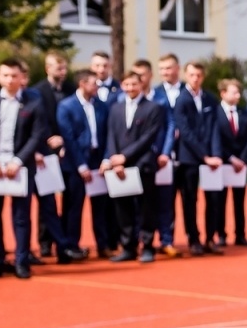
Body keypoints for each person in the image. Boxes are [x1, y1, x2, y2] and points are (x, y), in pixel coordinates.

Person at [0, 59, 57, 280]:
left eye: (14, 76)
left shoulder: (34, 102)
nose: (10, 80)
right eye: (5, 75)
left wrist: (18, 161)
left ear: (22, 78)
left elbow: (37, 135)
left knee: (21, 217)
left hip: (20, 167)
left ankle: (21, 262)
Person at [102, 72, 166, 263]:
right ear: (122, 85)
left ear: (142, 84)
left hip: (143, 164)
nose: (130, 88)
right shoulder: (115, 108)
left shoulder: (154, 107)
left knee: (147, 208)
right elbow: (111, 135)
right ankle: (128, 247)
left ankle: (147, 246)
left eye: (134, 84)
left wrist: (125, 156)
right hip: (119, 167)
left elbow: (148, 137)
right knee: (123, 209)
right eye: (127, 84)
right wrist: (115, 159)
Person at [57, 68, 110, 255]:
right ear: (82, 84)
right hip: (74, 163)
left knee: (100, 206)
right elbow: (68, 138)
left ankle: (103, 245)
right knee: (73, 207)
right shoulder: (66, 106)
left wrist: (105, 158)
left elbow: (108, 135)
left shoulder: (102, 105)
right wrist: (80, 165)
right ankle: (71, 245)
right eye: (93, 83)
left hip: (97, 161)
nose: (97, 86)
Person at [170, 61, 217, 255]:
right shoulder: (181, 100)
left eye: (198, 75)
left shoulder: (210, 99)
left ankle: (210, 238)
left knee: (213, 199)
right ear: (186, 76)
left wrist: (214, 154)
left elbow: (215, 128)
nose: (195, 78)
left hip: (211, 160)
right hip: (189, 158)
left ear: (203, 77)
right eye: (191, 75)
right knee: (190, 200)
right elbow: (185, 131)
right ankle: (194, 238)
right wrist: (204, 156)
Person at [32, 52, 71, 260]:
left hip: (67, 150)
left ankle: (64, 241)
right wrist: (49, 141)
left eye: (64, 68)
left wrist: (64, 140)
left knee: (66, 199)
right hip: (45, 152)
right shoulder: (37, 91)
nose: (63, 72)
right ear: (48, 69)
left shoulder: (71, 89)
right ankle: (45, 242)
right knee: (46, 199)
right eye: (58, 68)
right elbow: (39, 122)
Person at [207, 78, 247, 249]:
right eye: (234, 92)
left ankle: (240, 235)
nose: (238, 95)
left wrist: (243, 159)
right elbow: (216, 139)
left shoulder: (245, 113)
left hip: (241, 165)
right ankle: (221, 235)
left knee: (239, 202)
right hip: (223, 163)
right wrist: (230, 158)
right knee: (220, 201)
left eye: (239, 92)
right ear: (223, 93)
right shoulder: (214, 113)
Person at [149, 53, 183, 257]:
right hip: (161, 157)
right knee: (161, 200)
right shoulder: (155, 94)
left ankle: (172, 239)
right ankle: (160, 238)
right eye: (161, 69)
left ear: (177, 68)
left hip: (185, 155)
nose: (165, 73)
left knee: (184, 200)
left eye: (168, 68)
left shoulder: (189, 92)